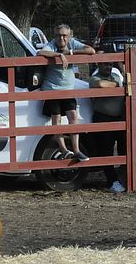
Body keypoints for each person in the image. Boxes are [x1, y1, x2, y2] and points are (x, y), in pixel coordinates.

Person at [37, 24, 96, 162]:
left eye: (64, 35)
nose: (61, 38)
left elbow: (91, 50)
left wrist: (70, 53)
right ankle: (63, 149)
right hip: (52, 89)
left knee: (73, 115)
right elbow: (41, 53)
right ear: (55, 36)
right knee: (56, 119)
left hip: (68, 89)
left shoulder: (73, 43)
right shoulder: (51, 45)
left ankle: (76, 150)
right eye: (58, 35)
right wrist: (59, 55)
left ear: (69, 36)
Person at [88, 61, 126, 193]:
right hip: (103, 117)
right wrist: (114, 86)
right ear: (99, 65)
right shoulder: (94, 78)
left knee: (124, 147)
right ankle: (111, 181)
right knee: (106, 151)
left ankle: (124, 177)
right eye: (105, 65)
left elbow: (113, 85)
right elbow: (100, 84)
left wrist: (112, 86)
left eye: (110, 65)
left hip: (119, 118)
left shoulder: (115, 76)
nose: (108, 67)